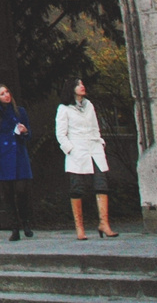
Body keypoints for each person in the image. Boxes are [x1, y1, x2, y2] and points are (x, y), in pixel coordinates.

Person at [55, 76, 117, 239]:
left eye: (82, 83)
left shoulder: (89, 105)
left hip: (94, 148)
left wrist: (100, 143)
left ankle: (104, 223)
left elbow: (96, 127)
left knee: (101, 184)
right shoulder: (64, 108)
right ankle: (79, 228)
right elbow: (61, 134)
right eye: (78, 85)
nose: (82, 86)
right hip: (77, 151)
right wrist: (70, 149)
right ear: (71, 88)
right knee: (77, 187)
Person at [0, 83, 33, 241]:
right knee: (8, 194)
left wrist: (25, 132)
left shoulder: (20, 111)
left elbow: (28, 133)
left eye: (7, 92)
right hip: (2, 156)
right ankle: (14, 228)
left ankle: (25, 221)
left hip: (19, 154)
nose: (6, 95)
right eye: (2, 94)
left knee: (21, 191)